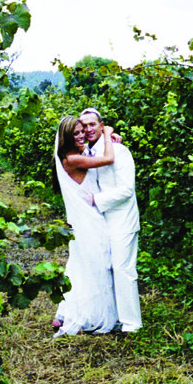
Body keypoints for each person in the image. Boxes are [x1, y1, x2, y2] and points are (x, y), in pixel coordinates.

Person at [50, 115, 119, 336]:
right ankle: (86, 314)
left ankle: (64, 313)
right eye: (76, 133)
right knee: (94, 264)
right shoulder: (72, 159)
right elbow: (108, 159)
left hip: (88, 217)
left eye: (82, 131)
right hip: (88, 220)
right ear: (66, 138)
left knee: (82, 264)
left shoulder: (77, 154)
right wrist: (107, 134)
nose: (81, 136)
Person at [79, 108, 141, 333]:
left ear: (102, 125)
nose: (87, 129)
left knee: (123, 270)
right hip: (100, 221)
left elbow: (126, 189)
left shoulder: (119, 150)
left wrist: (96, 200)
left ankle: (131, 325)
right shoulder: (86, 151)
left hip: (122, 219)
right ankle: (113, 318)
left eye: (92, 124)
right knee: (106, 269)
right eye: (83, 126)